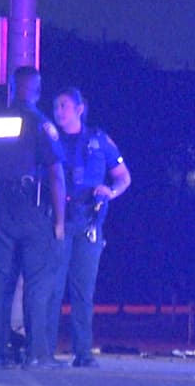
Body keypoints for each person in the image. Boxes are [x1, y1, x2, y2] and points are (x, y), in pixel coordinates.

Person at [0, 66, 66, 368]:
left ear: (13, 88)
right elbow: (56, 174)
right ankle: (36, 353)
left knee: (0, 282)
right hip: (32, 209)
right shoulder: (41, 124)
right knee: (37, 283)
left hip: (1, 209)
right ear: (37, 89)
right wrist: (59, 220)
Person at [45, 88, 131, 367]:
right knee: (53, 288)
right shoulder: (50, 138)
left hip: (89, 221)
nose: (59, 112)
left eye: (64, 106)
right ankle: (44, 351)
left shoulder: (98, 140)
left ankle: (82, 352)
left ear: (80, 109)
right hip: (59, 219)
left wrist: (111, 191)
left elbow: (123, 177)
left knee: (83, 290)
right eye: (56, 106)